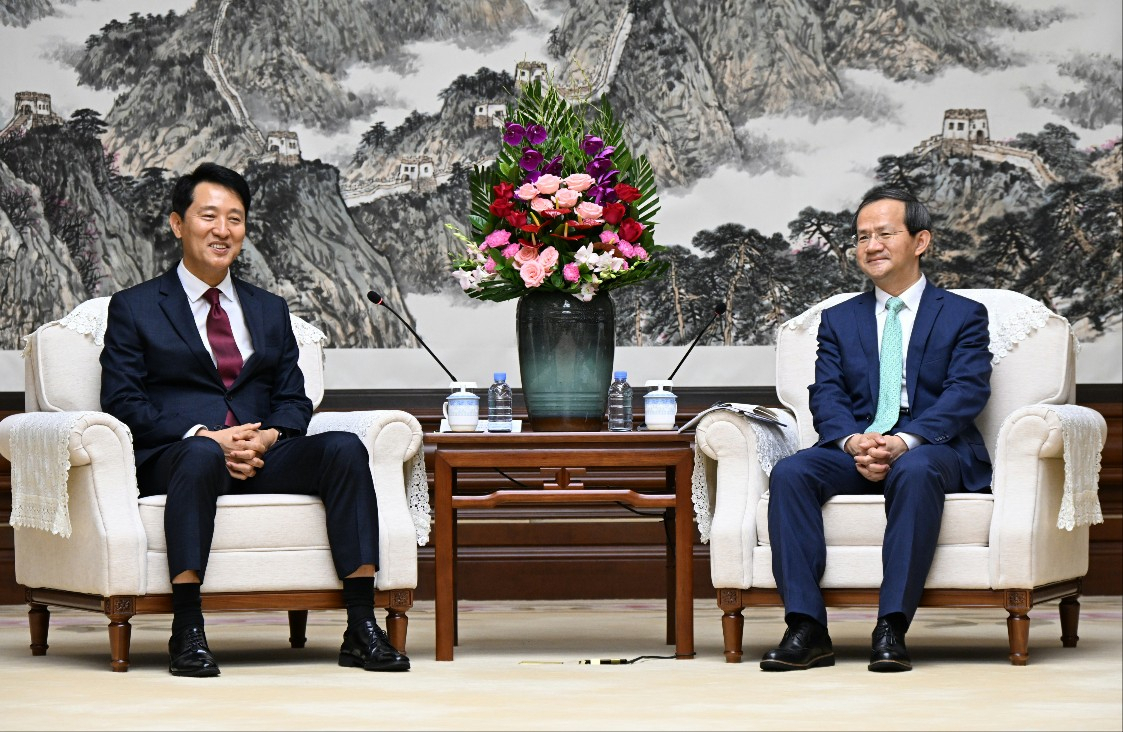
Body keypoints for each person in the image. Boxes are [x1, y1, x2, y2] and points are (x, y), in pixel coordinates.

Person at [100, 162, 409, 677]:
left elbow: (293, 399)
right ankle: (187, 630)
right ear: (178, 224)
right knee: (200, 454)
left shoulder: (269, 309)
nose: (222, 230)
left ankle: (360, 626)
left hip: (260, 454)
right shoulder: (135, 308)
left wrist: (265, 438)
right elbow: (123, 401)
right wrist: (206, 436)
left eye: (235, 218)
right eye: (209, 216)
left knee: (343, 448)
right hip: (179, 456)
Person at [761, 185, 992, 673]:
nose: (872, 246)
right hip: (859, 442)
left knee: (915, 469)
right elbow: (826, 392)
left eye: (885, 234)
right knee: (791, 472)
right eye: (863, 237)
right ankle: (806, 628)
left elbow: (966, 392)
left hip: (933, 446)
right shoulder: (838, 319)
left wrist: (904, 441)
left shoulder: (963, 314)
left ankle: (892, 626)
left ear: (921, 241)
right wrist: (853, 441)